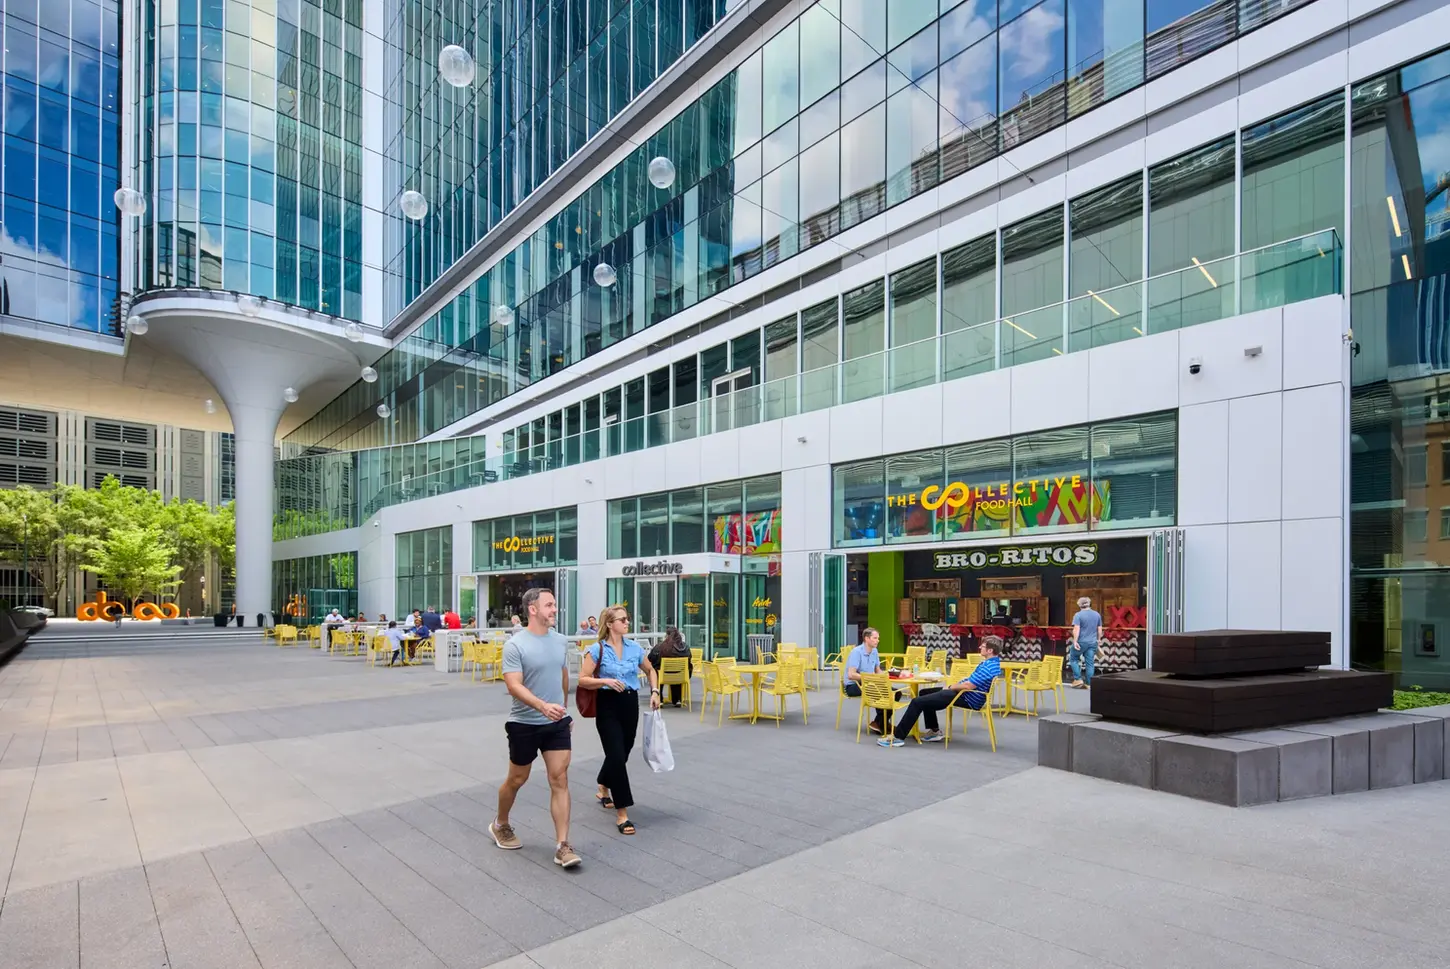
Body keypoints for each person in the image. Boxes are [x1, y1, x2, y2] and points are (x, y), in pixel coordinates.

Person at [492, 588, 581, 868]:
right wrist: (543, 706)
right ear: (533, 609)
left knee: (560, 779)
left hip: (555, 723)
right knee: (517, 779)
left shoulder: (560, 641)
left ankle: (563, 846)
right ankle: (500, 823)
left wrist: (563, 711)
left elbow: (562, 676)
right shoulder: (515, 645)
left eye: (555, 604)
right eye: (549, 605)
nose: (555, 609)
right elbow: (513, 685)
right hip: (523, 723)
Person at [579, 605, 658, 836]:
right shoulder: (597, 650)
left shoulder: (634, 648)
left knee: (622, 752)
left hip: (629, 703)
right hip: (607, 705)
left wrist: (655, 691)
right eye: (622, 620)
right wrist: (605, 681)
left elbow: (650, 669)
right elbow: (583, 679)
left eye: (627, 619)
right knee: (615, 755)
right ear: (610, 624)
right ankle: (622, 812)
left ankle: (603, 785)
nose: (627, 623)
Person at [880, 637, 1004, 747]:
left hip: (967, 697)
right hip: (965, 694)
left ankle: (898, 737)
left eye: (982, 646)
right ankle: (934, 731)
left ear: (990, 651)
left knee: (917, 702)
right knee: (924, 693)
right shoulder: (992, 664)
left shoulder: (988, 667)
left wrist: (950, 687)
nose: (979, 647)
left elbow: (968, 685)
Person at [843, 628, 893, 734]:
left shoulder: (874, 651)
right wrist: (869, 678)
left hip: (870, 682)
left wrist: (889, 674)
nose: (877, 640)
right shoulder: (856, 652)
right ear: (867, 638)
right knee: (880, 692)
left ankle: (879, 723)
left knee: (893, 693)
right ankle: (882, 724)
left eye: (878, 638)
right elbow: (851, 674)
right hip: (853, 685)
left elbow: (878, 670)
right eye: (875, 638)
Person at [648, 627, 691, 707]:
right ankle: (677, 699)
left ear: (667, 636)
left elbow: (650, 658)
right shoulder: (685, 647)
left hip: (663, 676)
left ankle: (659, 699)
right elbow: (689, 662)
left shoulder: (659, 647)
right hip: (680, 676)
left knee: (656, 672)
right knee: (676, 671)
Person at [1069, 596, 1103, 689]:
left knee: (1073, 658)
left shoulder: (1078, 615)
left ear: (1079, 605)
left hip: (1081, 642)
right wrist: (1099, 639)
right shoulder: (1097, 614)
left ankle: (1078, 679)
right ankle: (1088, 684)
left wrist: (1075, 641)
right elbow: (1099, 629)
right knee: (1090, 663)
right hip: (1092, 643)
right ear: (1089, 604)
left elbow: (1076, 629)